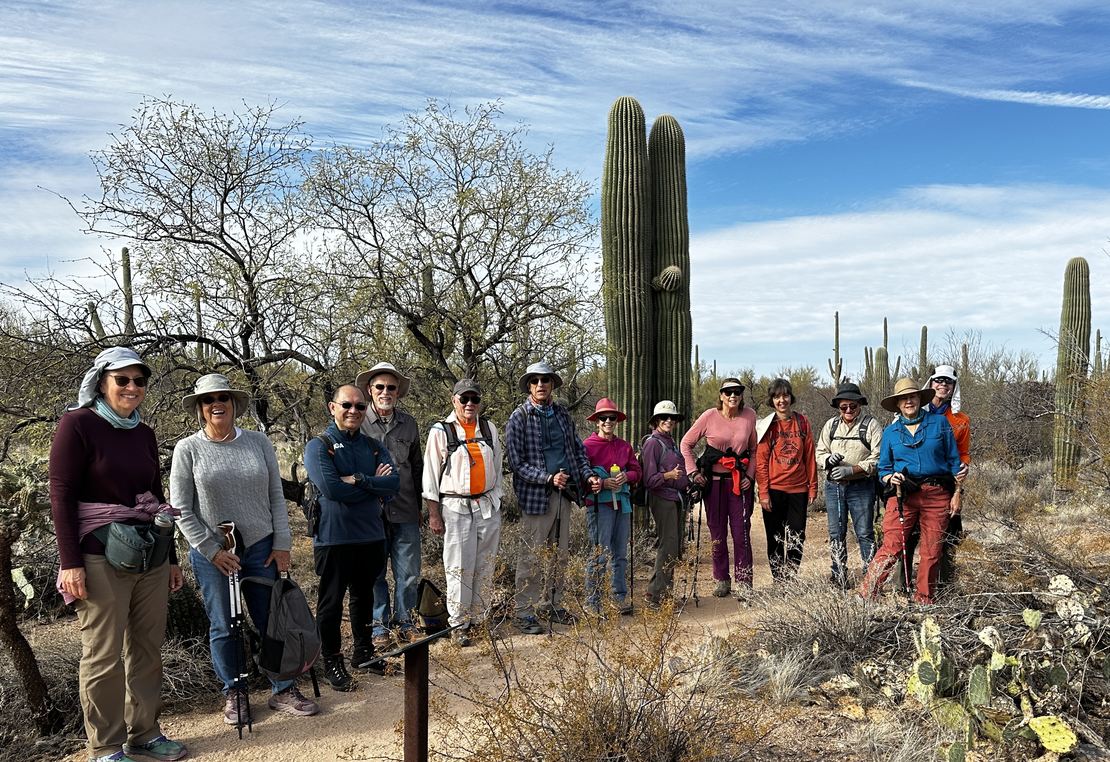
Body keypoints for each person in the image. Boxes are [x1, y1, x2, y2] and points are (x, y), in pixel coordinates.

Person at [49, 347, 187, 762]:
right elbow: (61, 495)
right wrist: (70, 562)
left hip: (149, 551)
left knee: (147, 648)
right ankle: (106, 746)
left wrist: (172, 557)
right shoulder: (77, 424)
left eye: (139, 381)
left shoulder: (143, 432)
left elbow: (156, 497)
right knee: (103, 653)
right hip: (97, 554)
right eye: (122, 379)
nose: (131, 387)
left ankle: (145, 733)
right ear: (101, 382)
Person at [172, 373, 319, 725]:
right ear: (200, 408)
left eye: (223, 397)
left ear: (234, 403)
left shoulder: (258, 442)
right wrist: (211, 551)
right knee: (224, 624)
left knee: (272, 619)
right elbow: (180, 509)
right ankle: (234, 692)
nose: (216, 404)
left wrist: (282, 543)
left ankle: (283, 687)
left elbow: (275, 496)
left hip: (260, 547)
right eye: (208, 400)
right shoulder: (188, 449)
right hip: (215, 554)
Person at [304, 384, 399, 690]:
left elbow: (393, 485)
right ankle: (332, 660)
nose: (353, 411)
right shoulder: (319, 446)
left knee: (364, 596)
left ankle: (364, 653)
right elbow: (332, 489)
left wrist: (358, 479)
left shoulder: (373, 446)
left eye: (359, 406)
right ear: (332, 407)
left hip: (371, 535)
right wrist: (372, 485)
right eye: (347, 405)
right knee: (331, 603)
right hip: (334, 537)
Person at [504, 361, 601, 634]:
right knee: (531, 556)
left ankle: (553, 604)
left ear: (552, 385)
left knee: (560, 555)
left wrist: (588, 476)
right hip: (536, 496)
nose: (541, 385)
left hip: (564, 493)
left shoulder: (562, 415)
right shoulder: (519, 417)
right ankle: (524, 611)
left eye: (545, 380)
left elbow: (578, 451)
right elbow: (517, 463)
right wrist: (547, 478)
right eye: (535, 381)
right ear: (529, 386)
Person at [859, 378, 961, 604]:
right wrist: (890, 477)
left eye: (912, 396)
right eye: (903, 398)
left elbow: (955, 463)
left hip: (937, 494)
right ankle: (866, 595)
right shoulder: (890, 432)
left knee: (932, 549)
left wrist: (957, 494)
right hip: (902, 495)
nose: (908, 401)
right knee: (892, 546)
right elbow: (884, 468)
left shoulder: (940, 423)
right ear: (897, 404)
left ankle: (924, 599)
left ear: (920, 399)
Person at [422, 379, 504, 647]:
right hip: (455, 507)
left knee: (485, 564)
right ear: (454, 400)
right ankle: (459, 623)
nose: (470, 404)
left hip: (487, 506)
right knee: (459, 566)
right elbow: (430, 477)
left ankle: (480, 619)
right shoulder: (441, 431)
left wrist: (497, 499)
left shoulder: (489, 428)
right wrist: (434, 514)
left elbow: (498, 468)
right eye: (464, 398)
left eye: (474, 399)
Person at [355, 361, 424, 651]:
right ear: (370, 390)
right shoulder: (357, 421)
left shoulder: (409, 424)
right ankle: (379, 627)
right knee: (375, 573)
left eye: (391, 387)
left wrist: (421, 507)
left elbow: (417, 468)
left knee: (408, 572)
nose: (386, 392)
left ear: (398, 392)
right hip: (370, 513)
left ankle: (406, 622)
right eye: (380, 387)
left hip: (405, 509)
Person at [680, 378, 757, 598]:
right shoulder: (709, 416)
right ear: (721, 395)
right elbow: (686, 444)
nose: (733, 396)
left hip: (739, 483)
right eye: (728, 392)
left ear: (741, 395)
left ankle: (744, 581)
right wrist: (693, 472)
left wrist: (750, 476)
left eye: (737, 391)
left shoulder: (749, 415)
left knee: (741, 533)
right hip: (713, 484)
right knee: (717, 532)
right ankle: (722, 579)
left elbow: (754, 450)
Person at [899, 365, 972, 587]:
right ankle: (902, 583)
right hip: (912, 482)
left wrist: (963, 472)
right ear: (931, 384)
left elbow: (963, 452)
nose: (943, 385)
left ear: (954, 387)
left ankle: (941, 584)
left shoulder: (960, 420)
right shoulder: (914, 411)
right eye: (938, 380)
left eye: (948, 381)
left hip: (946, 482)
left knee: (946, 534)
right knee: (908, 534)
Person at [815, 382, 883, 588]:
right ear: (838, 407)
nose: (848, 410)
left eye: (852, 406)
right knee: (836, 533)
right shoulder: (831, 425)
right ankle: (838, 576)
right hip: (834, 486)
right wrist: (828, 460)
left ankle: (871, 578)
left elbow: (878, 457)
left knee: (864, 532)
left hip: (861, 486)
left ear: (859, 404)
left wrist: (852, 470)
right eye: (843, 407)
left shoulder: (871, 425)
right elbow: (820, 451)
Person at [582, 398, 641, 615]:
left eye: (612, 417)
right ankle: (593, 601)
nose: (608, 421)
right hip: (600, 506)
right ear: (596, 421)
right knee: (599, 553)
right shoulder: (587, 446)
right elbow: (581, 476)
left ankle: (619, 597)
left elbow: (637, 471)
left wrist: (627, 476)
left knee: (620, 553)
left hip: (622, 505)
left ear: (617, 421)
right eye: (603, 418)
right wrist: (603, 483)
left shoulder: (624, 446)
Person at [754, 378, 817, 581]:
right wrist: (763, 492)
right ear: (772, 400)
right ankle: (779, 579)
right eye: (777, 397)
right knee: (775, 537)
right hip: (774, 489)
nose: (782, 400)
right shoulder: (768, 425)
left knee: (797, 536)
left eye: (785, 395)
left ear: (791, 397)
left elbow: (810, 456)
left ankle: (790, 577)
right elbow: (761, 461)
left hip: (798, 489)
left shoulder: (802, 422)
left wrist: (813, 486)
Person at [641, 400, 690, 608]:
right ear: (656, 420)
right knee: (667, 545)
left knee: (672, 546)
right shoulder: (653, 443)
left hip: (675, 498)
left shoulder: (670, 442)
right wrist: (668, 475)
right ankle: (656, 595)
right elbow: (649, 480)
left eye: (672, 418)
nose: (668, 420)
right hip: (662, 498)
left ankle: (663, 593)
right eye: (664, 417)